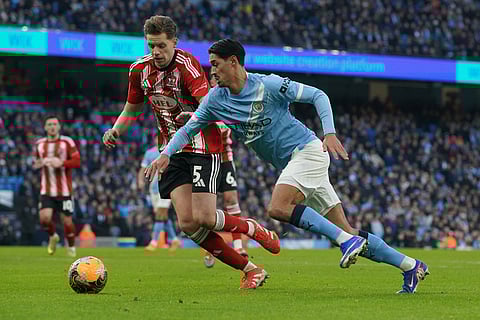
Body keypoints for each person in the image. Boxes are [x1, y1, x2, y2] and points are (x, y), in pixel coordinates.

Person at [150, 39, 430, 294]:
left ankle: (346, 242)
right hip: (294, 163)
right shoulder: (216, 100)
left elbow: (318, 95)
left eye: (216, 64)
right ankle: (410, 265)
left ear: (233, 62)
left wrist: (329, 132)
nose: (212, 71)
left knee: (278, 208)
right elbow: (188, 130)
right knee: (346, 229)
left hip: (308, 151)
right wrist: (166, 154)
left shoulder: (268, 85)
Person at [102, 16, 281, 289]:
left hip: (201, 146)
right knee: (188, 224)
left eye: (162, 45)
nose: (156, 52)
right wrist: (115, 131)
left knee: (206, 218)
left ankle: (252, 228)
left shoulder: (188, 66)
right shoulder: (139, 70)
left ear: (174, 42)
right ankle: (250, 270)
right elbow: (132, 108)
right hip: (169, 151)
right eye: (151, 45)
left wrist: (195, 116)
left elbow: (209, 105)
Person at [203, 75, 247, 268]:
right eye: (212, 77)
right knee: (206, 208)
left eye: (217, 76)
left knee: (231, 200)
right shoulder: (203, 101)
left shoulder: (230, 101)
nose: (216, 79)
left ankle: (238, 246)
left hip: (225, 159)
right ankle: (211, 246)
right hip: (205, 159)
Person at [33, 115, 80, 257]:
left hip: (64, 190)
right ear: (45, 128)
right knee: (44, 219)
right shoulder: (39, 144)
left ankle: (71, 247)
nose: (52, 127)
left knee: (67, 221)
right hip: (46, 190)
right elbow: (36, 162)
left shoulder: (67, 142)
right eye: (49, 124)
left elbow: (77, 162)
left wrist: (62, 163)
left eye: (55, 124)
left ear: (59, 126)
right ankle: (53, 236)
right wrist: (38, 164)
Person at [138, 141, 180, 252]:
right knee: (162, 216)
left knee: (160, 214)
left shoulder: (171, 150)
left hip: (166, 186)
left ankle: (154, 242)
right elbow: (143, 168)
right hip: (154, 189)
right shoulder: (150, 153)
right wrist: (140, 180)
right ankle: (175, 239)